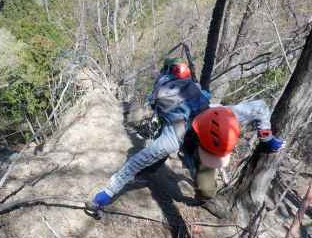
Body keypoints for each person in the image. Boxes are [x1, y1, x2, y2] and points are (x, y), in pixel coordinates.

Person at [88, 60, 284, 216]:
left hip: (192, 110)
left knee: (205, 190)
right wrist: (105, 194)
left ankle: (198, 189)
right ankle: (155, 169)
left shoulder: (227, 114)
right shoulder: (170, 140)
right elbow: (133, 164)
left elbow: (260, 106)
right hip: (174, 124)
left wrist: (267, 138)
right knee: (154, 162)